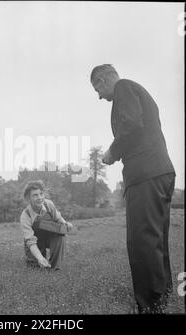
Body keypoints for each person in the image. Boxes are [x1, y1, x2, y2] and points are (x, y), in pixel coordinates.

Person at [90, 64, 176, 314]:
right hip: (160, 171)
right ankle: (162, 294)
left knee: (142, 240)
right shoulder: (137, 91)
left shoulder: (124, 88)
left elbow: (131, 126)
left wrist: (112, 152)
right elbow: (138, 127)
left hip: (145, 174)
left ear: (104, 79)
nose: (99, 96)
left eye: (97, 88)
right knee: (156, 237)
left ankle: (149, 305)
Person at [20, 180, 73, 270]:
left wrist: (65, 223)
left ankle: (54, 267)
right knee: (35, 268)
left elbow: (58, 218)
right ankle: (37, 258)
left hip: (49, 236)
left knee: (60, 235)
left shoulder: (49, 204)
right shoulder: (25, 215)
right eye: (35, 195)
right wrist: (40, 258)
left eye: (41, 194)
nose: (40, 197)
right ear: (29, 198)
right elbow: (30, 241)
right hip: (35, 241)